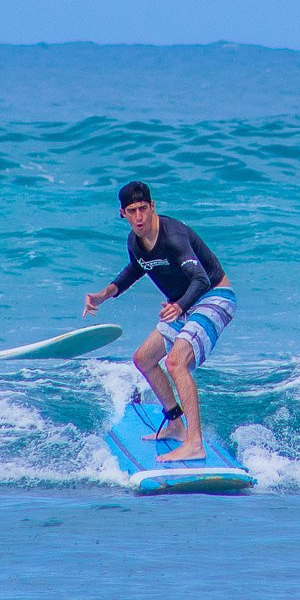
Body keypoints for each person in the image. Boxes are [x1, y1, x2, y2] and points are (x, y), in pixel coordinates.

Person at [83, 181, 236, 462]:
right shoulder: (135, 242)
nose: (139, 217)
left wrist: (178, 305)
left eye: (143, 209)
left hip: (214, 297)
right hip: (183, 305)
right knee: (144, 359)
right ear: (122, 214)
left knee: (176, 362)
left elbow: (201, 279)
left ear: (153, 207)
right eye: (132, 211)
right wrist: (105, 294)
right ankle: (175, 424)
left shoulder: (173, 237)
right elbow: (135, 269)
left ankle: (194, 443)